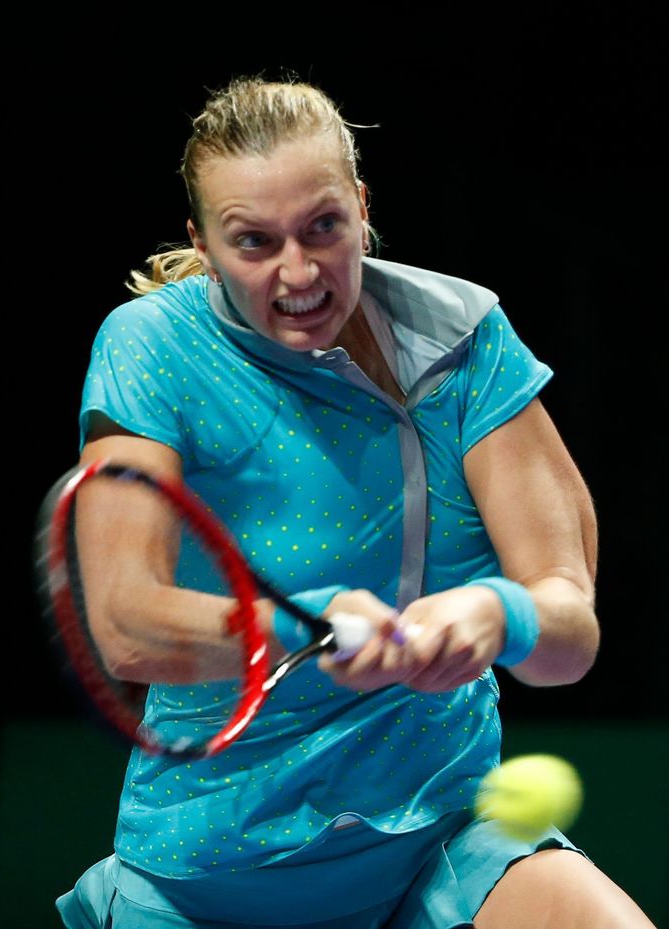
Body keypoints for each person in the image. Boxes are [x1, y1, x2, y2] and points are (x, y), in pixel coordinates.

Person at [55, 76, 656, 929]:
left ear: (362, 207)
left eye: (323, 227)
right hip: (211, 873)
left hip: (441, 839)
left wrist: (500, 611)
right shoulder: (151, 345)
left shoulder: (463, 338)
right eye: (254, 242)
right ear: (202, 241)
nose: (298, 272)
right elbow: (125, 624)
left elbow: (569, 633)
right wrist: (308, 626)